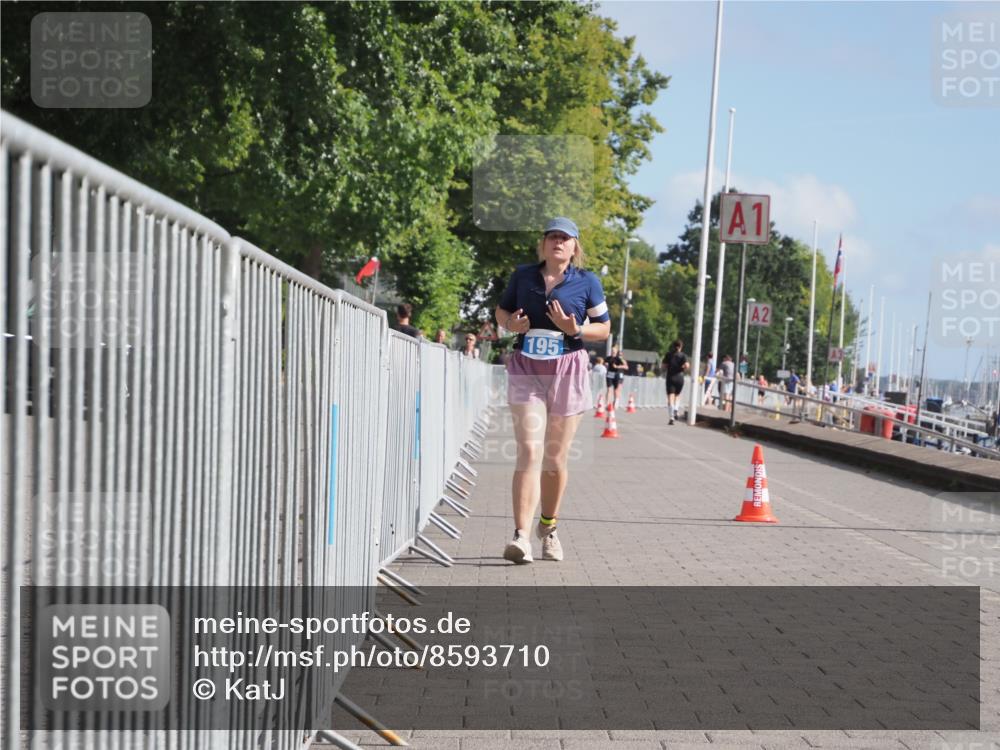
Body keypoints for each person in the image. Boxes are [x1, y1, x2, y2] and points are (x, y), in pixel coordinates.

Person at [495, 217, 611, 564]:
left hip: (568, 368)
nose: (558, 242)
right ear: (543, 244)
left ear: (575, 247)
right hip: (527, 366)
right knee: (529, 452)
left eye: (566, 238)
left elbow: (604, 330)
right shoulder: (523, 276)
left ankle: (549, 527)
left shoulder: (587, 282)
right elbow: (501, 311)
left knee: (555, 457)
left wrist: (574, 328)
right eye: (553, 237)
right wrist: (510, 324)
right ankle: (520, 537)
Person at [662, 339, 690, 424]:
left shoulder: (668, 354)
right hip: (680, 377)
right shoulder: (683, 355)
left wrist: (668, 367)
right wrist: (683, 367)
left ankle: (671, 417)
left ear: (673, 346)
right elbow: (687, 365)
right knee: (677, 395)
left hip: (670, 377)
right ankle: (676, 409)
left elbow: (663, 366)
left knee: (670, 397)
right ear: (681, 347)